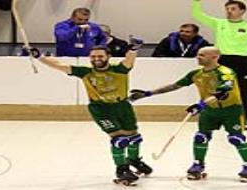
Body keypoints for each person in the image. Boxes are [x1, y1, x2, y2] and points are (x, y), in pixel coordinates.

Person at [24, 38, 152, 186]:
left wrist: (134, 48)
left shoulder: (119, 69)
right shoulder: (85, 72)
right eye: (93, 57)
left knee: (134, 138)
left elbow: (129, 60)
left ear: (108, 57)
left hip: (122, 106)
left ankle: (134, 160)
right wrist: (39, 56)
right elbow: (59, 66)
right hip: (101, 109)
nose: (96, 59)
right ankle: (121, 169)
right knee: (119, 140)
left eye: (100, 56)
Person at [129, 47, 247, 182]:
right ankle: (198, 165)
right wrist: (148, 93)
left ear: (215, 57)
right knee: (201, 137)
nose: (198, 57)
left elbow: (222, 93)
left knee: (236, 138)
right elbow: (175, 86)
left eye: (202, 55)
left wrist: (201, 105)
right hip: (210, 111)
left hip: (231, 111)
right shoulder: (196, 74)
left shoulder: (226, 73)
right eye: (198, 54)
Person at [191, 0, 247, 127]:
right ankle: (217, 119)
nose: (229, 11)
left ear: (242, 11)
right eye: (227, 9)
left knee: (244, 90)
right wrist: (196, 2)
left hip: (241, 61)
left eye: (233, 9)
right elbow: (198, 15)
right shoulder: (219, 23)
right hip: (222, 60)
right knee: (218, 90)